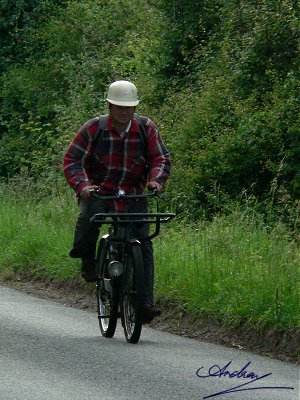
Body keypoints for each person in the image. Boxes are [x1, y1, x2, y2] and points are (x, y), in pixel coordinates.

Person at [63, 80, 171, 322]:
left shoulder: (146, 128)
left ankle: (144, 303)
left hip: (134, 193)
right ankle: (87, 260)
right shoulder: (93, 128)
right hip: (100, 191)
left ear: (135, 108)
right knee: (87, 217)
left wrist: (155, 181)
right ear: (110, 106)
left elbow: (160, 157)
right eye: (120, 107)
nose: (124, 112)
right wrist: (83, 186)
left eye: (129, 107)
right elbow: (72, 160)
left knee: (144, 242)